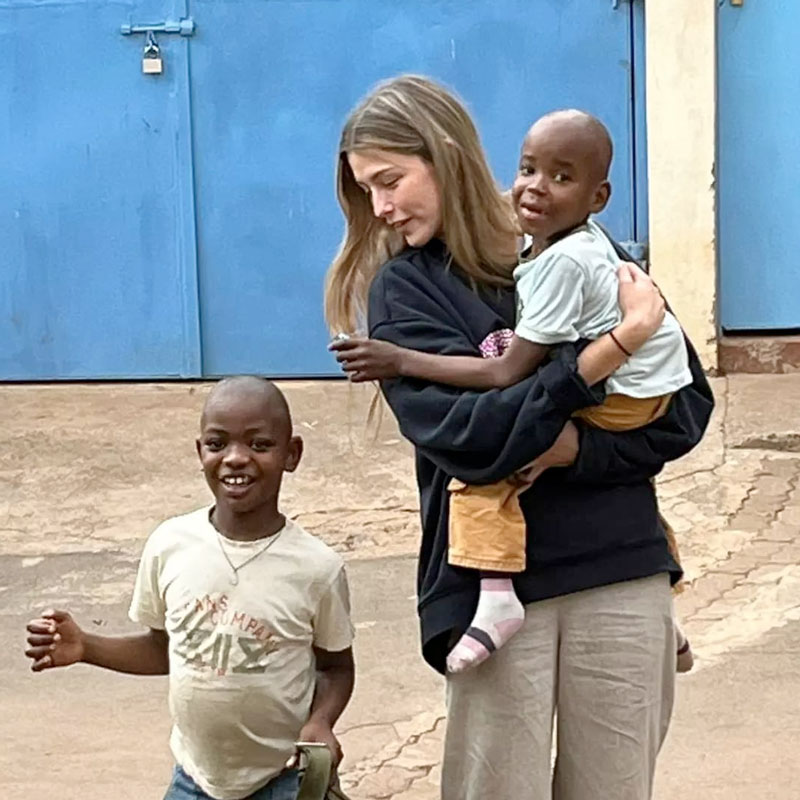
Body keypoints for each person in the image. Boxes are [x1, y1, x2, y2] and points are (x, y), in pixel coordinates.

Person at [324, 75, 713, 800]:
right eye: (366, 192)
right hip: (494, 601)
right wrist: (597, 360)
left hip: (622, 571)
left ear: (444, 155)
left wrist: (578, 448)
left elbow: (685, 405)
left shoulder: (585, 248)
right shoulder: (406, 291)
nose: (379, 209)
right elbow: (473, 440)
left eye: (389, 181)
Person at [24, 377, 355, 800]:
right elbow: (166, 646)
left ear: (291, 454)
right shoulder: (170, 544)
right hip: (194, 779)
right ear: (200, 451)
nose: (236, 458)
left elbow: (335, 667)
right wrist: (87, 646)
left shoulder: (316, 567)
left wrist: (321, 722)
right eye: (218, 444)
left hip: (285, 777)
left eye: (258, 444)